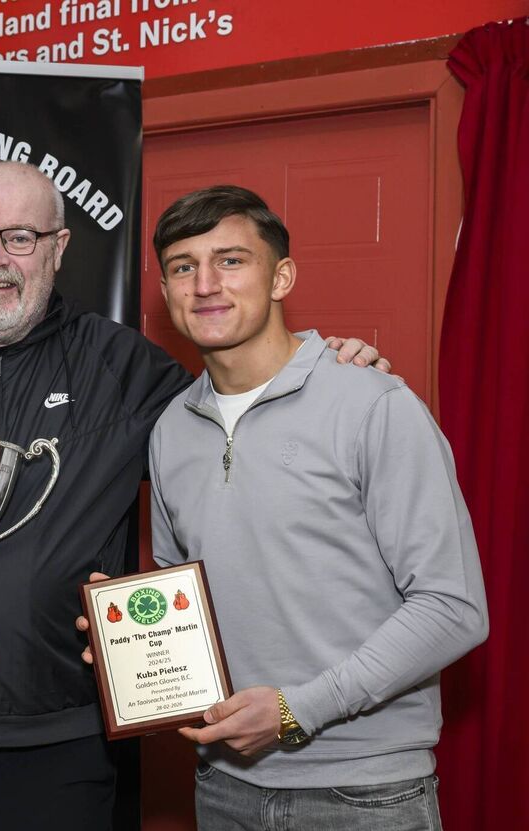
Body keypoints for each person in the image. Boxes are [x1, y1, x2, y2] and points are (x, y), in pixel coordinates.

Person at [0, 161, 384, 830]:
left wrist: (323, 366)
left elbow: (239, 412)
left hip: (59, 750)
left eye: (20, 237)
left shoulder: (124, 368)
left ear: (59, 247)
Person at [82, 185, 487, 828]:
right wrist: (129, 635)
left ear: (282, 276)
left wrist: (298, 709)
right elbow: (193, 606)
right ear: (166, 292)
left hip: (366, 795)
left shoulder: (372, 404)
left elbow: (453, 608)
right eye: (184, 267)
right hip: (224, 787)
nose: (206, 283)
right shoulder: (170, 430)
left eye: (232, 259)